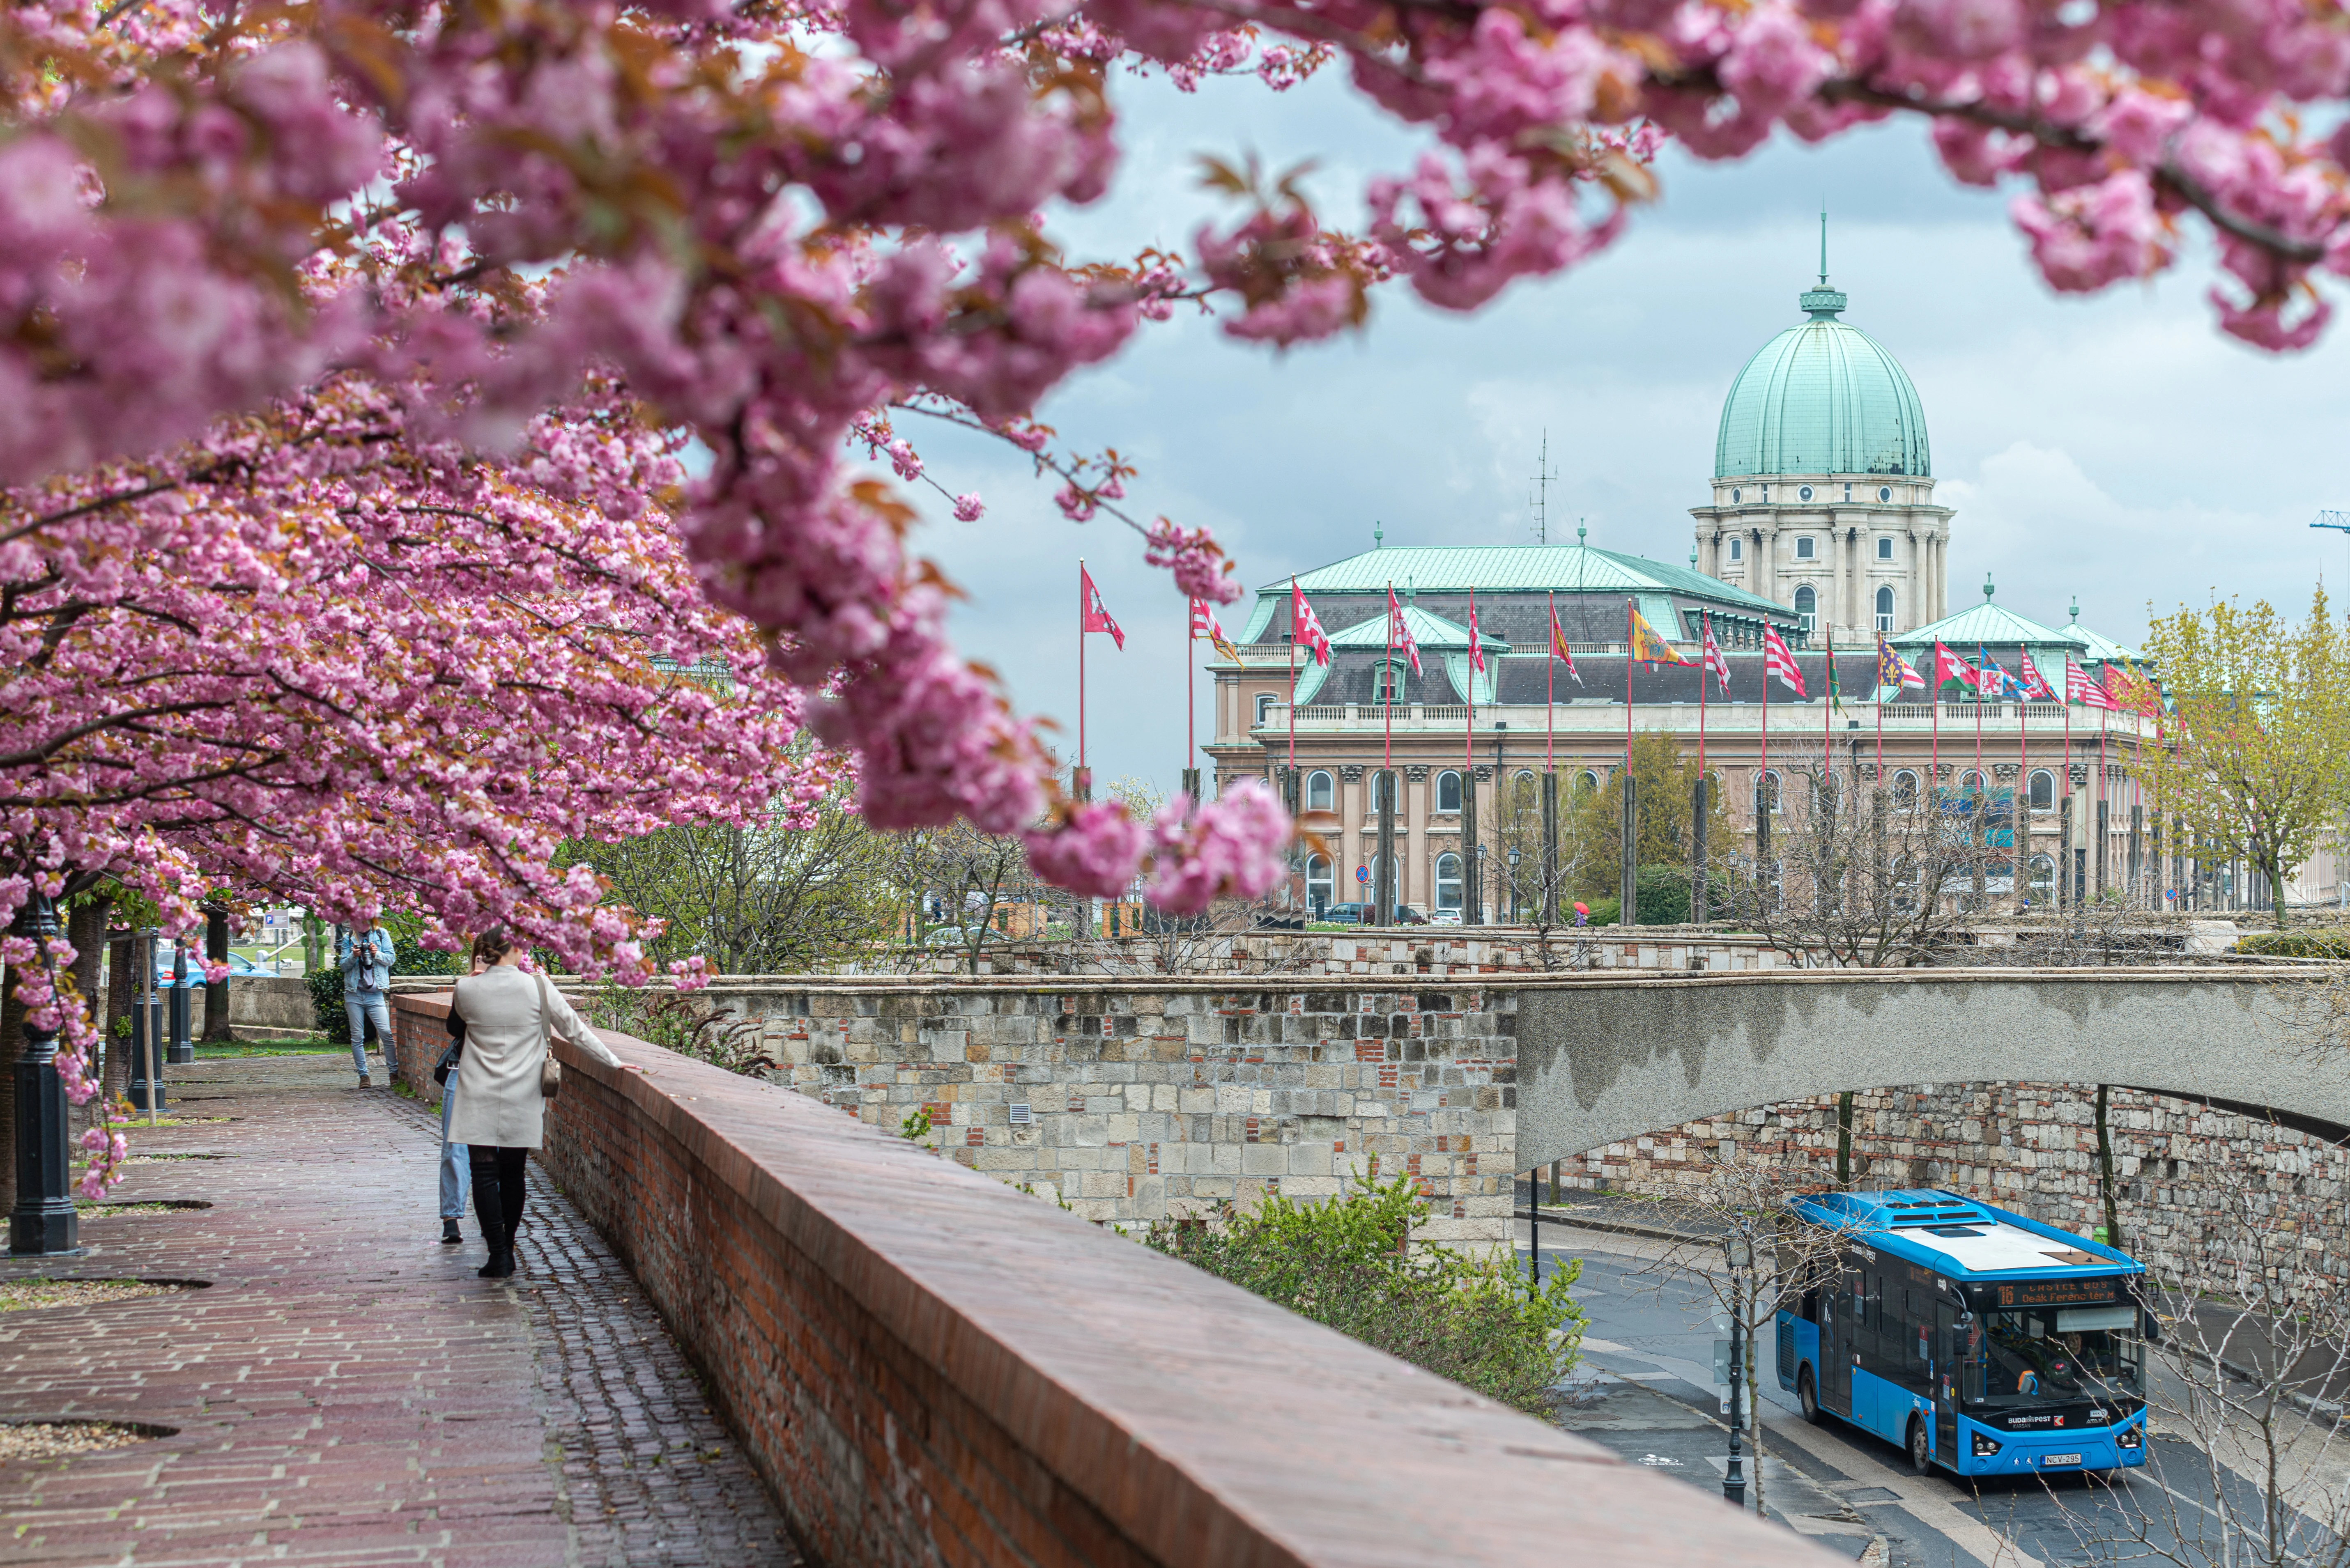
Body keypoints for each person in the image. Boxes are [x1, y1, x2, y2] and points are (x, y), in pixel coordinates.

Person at [448, 928, 636, 1278]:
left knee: (484, 1173)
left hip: (477, 1090)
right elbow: (576, 1031)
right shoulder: (538, 986)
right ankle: (509, 1243)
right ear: (515, 948)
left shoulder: (466, 988)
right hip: (522, 1091)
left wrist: (471, 977)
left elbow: (456, 1026)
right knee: (513, 1171)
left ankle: (498, 1255)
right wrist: (613, 1061)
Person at [338, 923, 396, 1086]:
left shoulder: (381, 934)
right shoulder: (348, 938)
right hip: (354, 993)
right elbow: (343, 966)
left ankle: (394, 1073)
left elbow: (391, 959)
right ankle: (364, 1077)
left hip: (375, 994)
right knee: (357, 1037)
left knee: (386, 1033)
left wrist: (376, 953)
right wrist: (354, 956)